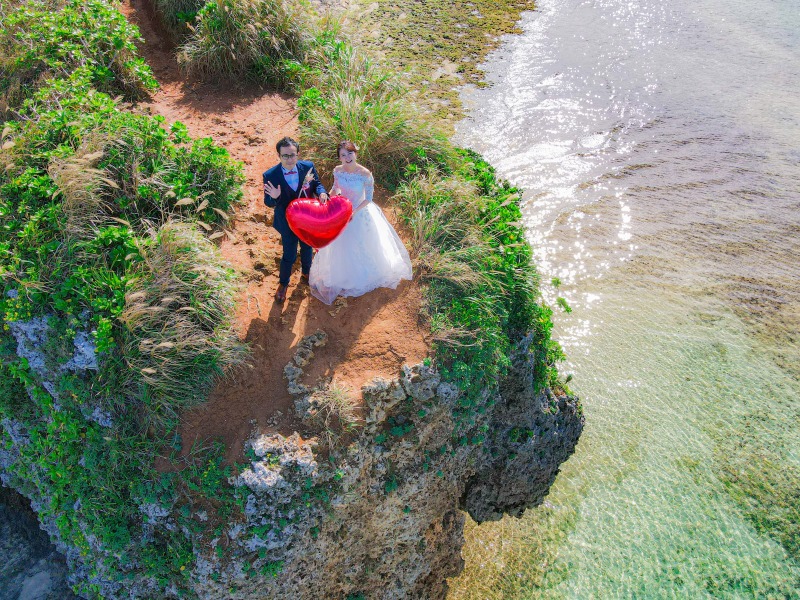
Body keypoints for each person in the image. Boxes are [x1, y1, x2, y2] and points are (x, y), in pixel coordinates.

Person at [309, 141, 412, 305]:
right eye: (343, 155)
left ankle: (362, 276)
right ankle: (342, 276)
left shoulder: (365, 174)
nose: (347, 157)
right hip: (342, 212)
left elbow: (368, 199)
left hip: (360, 212)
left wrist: (354, 212)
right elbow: (336, 189)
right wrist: (328, 199)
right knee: (340, 245)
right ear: (339, 158)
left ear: (355, 154)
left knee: (361, 245)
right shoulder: (338, 171)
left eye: (350, 153)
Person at [263, 137, 329, 303]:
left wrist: (322, 193)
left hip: (307, 219)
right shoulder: (270, 175)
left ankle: (307, 273)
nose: (289, 159)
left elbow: (317, 184)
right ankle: (283, 284)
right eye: (285, 156)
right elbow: (268, 202)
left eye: (292, 155)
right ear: (279, 155)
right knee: (289, 254)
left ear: (298, 154)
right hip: (287, 223)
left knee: (307, 248)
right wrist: (276, 198)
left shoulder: (308, 167)